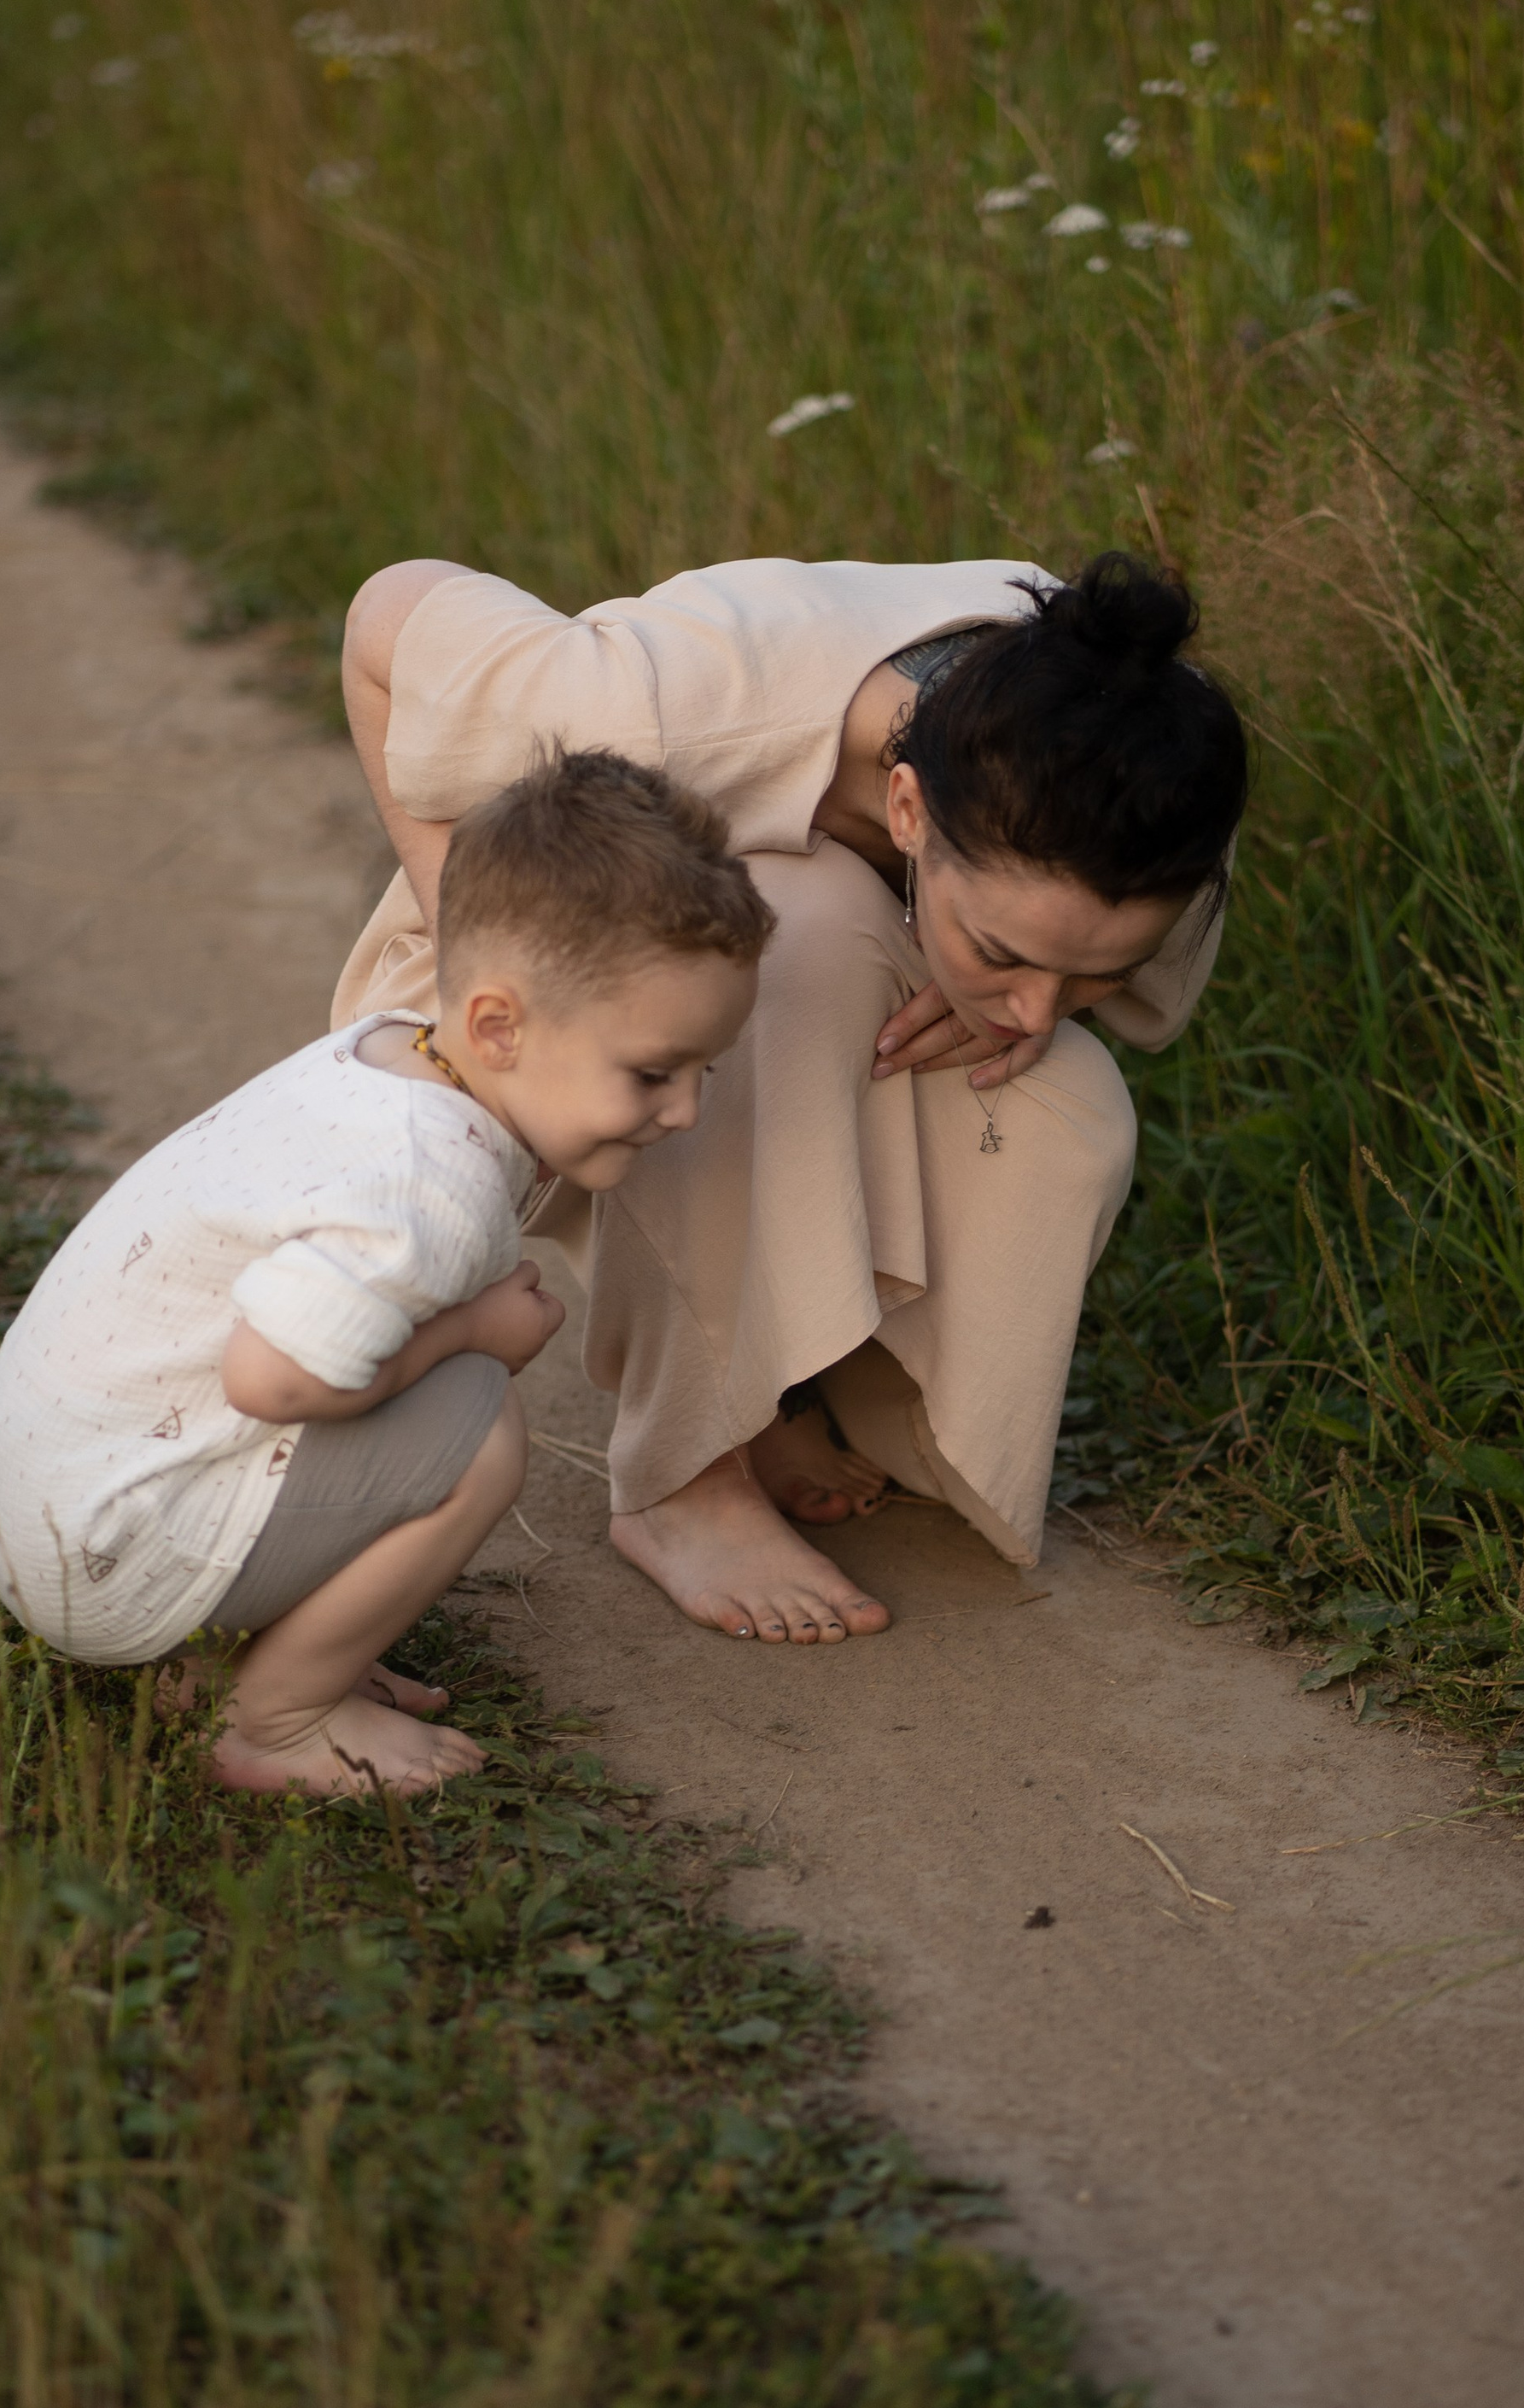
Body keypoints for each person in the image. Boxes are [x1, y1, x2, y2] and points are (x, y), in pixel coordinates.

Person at [335, 550, 1249, 1651]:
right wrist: (476, 942)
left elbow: (1088, 977)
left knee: (1068, 1108)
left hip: (822, 980)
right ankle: (686, 1476)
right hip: (531, 1005)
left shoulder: (1147, 761)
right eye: (1005, 953)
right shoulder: (676, 701)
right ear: (906, 806)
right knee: (798, 941)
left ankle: (802, 1394)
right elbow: (387, 613)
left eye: (1091, 971)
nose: (1041, 1005)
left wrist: (1000, 982)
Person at [0, 748, 774, 1793]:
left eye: (703, 1071)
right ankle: (276, 1719)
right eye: (653, 1073)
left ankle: (263, 1640)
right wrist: (471, 1332)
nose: (687, 1113)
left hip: (67, 1497)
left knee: (437, 1398)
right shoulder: (426, 1179)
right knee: (476, 1430)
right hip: (101, 1552)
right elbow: (274, 1384)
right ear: (498, 1025)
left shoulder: (392, 1052)